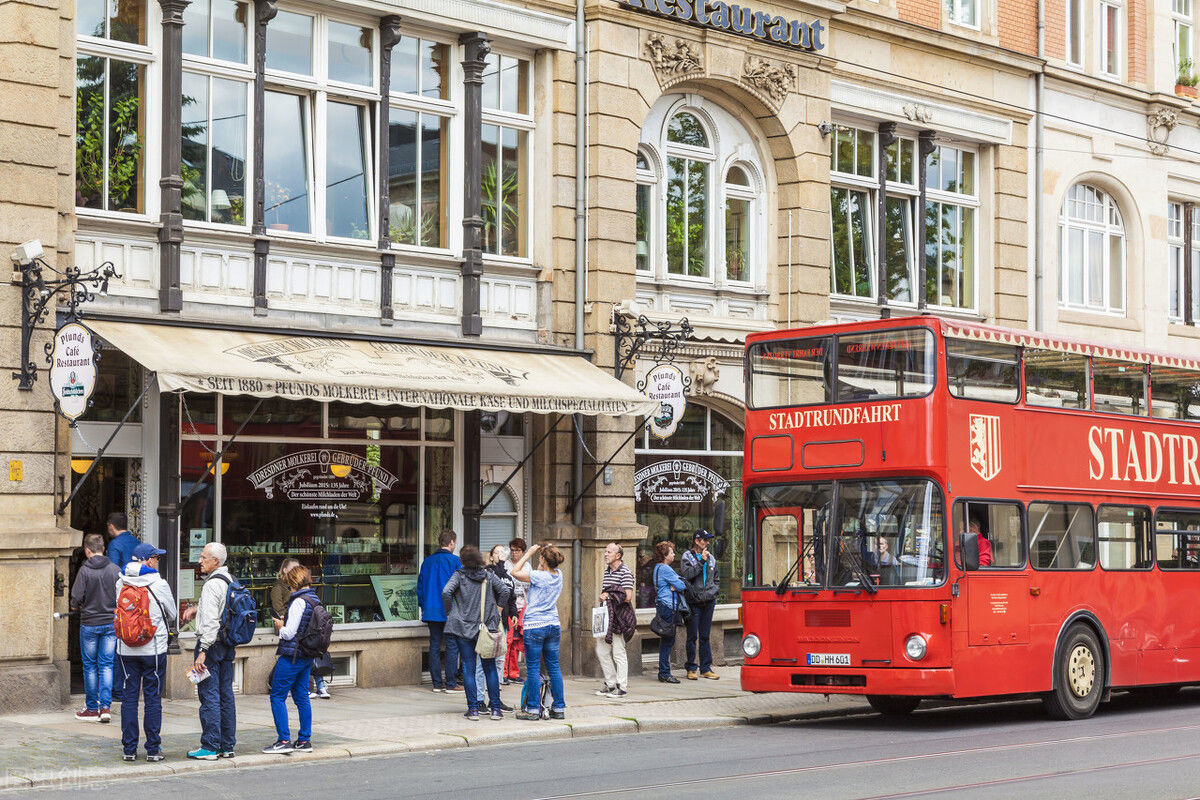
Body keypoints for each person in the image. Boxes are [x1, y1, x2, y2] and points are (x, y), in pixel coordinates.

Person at [115, 543, 176, 762]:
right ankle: (153, 749)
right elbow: (172, 613)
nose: (157, 561)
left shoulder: (120, 582)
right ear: (147, 560)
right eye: (155, 558)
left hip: (126, 649)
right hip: (153, 649)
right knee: (152, 698)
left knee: (129, 698)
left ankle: (129, 749)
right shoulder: (159, 584)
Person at [181, 542, 237, 760]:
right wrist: (198, 609)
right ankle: (226, 745)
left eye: (204, 557)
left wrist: (203, 650)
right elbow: (222, 611)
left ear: (216, 561)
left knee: (209, 696)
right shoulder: (230, 580)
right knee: (226, 695)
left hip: (211, 646)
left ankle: (210, 746)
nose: (200, 561)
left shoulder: (212, 584)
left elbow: (213, 622)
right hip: (227, 645)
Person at [442, 545, 511, 721]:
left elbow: (446, 592)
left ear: (462, 560)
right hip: (486, 628)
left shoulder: (459, 576)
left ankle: (473, 709)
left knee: (468, 668)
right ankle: (495, 709)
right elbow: (504, 591)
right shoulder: (488, 575)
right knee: (490, 669)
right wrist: (498, 610)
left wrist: (451, 613)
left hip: (463, 629)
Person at [263, 565, 320, 754]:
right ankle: (304, 740)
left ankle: (283, 740)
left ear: (293, 583)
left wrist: (280, 625)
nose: (288, 587)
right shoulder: (314, 598)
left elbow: (289, 633)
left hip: (292, 655)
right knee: (302, 696)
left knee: (277, 696)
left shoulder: (298, 602)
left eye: (289, 583)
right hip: (306, 655)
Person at [511, 543, 566, 720]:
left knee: (533, 668)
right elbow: (544, 569)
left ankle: (533, 709)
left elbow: (515, 571)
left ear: (542, 559)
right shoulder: (559, 575)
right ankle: (558, 708)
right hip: (553, 625)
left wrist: (528, 553)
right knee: (554, 667)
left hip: (535, 626)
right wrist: (546, 553)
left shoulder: (537, 576)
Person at [71, 533, 120, 723]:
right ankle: (106, 707)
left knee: (90, 666)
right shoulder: (114, 570)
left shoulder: (84, 571)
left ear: (87, 550)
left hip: (90, 623)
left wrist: (76, 606)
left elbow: (76, 598)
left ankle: (92, 708)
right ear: (104, 549)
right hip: (110, 623)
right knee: (106, 664)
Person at [417, 530, 462, 692]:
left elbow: (420, 587)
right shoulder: (456, 561)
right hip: (450, 610)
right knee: (452, 646)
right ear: (451, 543)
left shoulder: (427, 562)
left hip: (431, 610)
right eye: (454, 543)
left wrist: (423, 606)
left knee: (434, 645)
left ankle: (436, 683)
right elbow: (460, 588)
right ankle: (450, 683)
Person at [472, 545, 515, 711]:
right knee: (482, 663)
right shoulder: (490, 572)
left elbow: (510, 594)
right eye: (497, 552)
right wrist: (502, 563)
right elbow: (497, 580)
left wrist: (513, 612)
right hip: (488, 623)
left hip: (501, 623)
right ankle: (480, 699)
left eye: (503, 552)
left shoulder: (507, 575)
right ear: (490, 557)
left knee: (499, 662)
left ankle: (495, 698)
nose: (500, 555)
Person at [595, 542, 635, 699]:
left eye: (609, 552)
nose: (606, 554)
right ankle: (611, 684)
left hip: (619, 618)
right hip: (607, 616)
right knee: (602, 650)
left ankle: (622, 687)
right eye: (605, 551)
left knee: (618, 652)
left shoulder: (625, 572)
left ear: (618, 555)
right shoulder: (608, 572)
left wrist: (609, 596)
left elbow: (628, 596)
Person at [680, 530, 720, 681]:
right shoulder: (687, 556)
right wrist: (701, 561)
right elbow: (688, 575)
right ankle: (691, 668)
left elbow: (716, 579)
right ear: (697, 541)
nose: (707, 543)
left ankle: (706, 668)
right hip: (693, 602)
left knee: (705, 636)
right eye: (705, 540)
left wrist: (713, 592)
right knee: (692, 636)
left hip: (708, 601)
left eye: (708, 540)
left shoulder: (712, 558)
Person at [652, 540, 687, 684]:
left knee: (666, 639)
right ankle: (665, 673)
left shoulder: (657, 568)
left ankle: (664, 671)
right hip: (668, 606)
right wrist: (676, 583)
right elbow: (681, 585)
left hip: (662, 604)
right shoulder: (665, 569)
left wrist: (676, 583)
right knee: (668, 640)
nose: (673, 554)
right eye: (672, 552)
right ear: (665, 555)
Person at [502, 538, 528, 684]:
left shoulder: (527, 566)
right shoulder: (506, 565)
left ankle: (513, 672)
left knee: (517, 643)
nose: (513, 553)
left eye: (517, 550)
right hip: (510, 607)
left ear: (523, 552)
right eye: (511, 550)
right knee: (508, 641)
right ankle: (504, 673)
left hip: (522, 608)